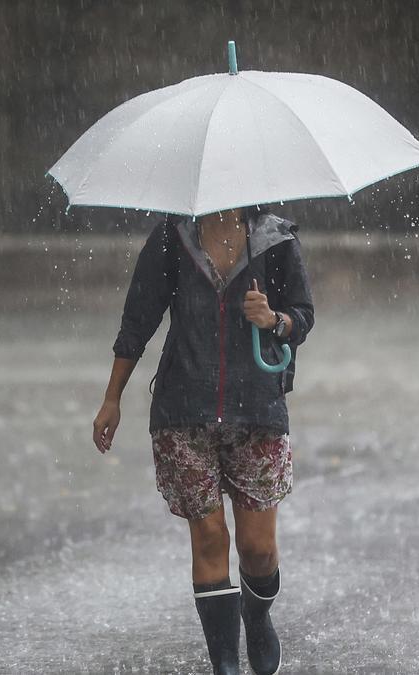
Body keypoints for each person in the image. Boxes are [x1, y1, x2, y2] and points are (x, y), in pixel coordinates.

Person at [92, 205, 313, 675]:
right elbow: (138, 320)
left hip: (257, 409)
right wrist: (113, 398)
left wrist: (274, 319)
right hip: (183, 410)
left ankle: (256, 617)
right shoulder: (173, 239)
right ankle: (226, 665)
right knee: (210, 538)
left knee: (258, 549)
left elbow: (303, 315)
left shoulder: (275, 240)